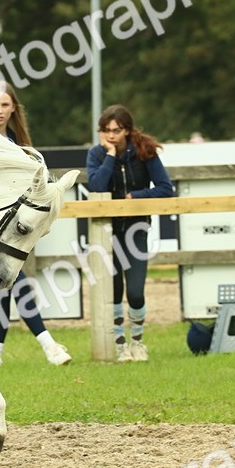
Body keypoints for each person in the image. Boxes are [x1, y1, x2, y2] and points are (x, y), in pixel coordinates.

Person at [0, 81, 72, 367]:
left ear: (13, 108)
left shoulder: (23, 146)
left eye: (5, 105)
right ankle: (48, 344)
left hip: (15, 228)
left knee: (6, 283)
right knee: (13, 282)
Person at [86, 104, 174, 362]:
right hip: (106, 231)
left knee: (135, 290)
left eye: (116, 130)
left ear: (127, 130)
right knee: (112, 289)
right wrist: (111, 156)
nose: (110, 135)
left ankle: (138, 341)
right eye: (105, 131)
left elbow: (165, 188)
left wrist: (135, 196)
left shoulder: (144, 152)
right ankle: (121, 345)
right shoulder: (96, 154)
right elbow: (96, 185)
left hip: (136, 228)